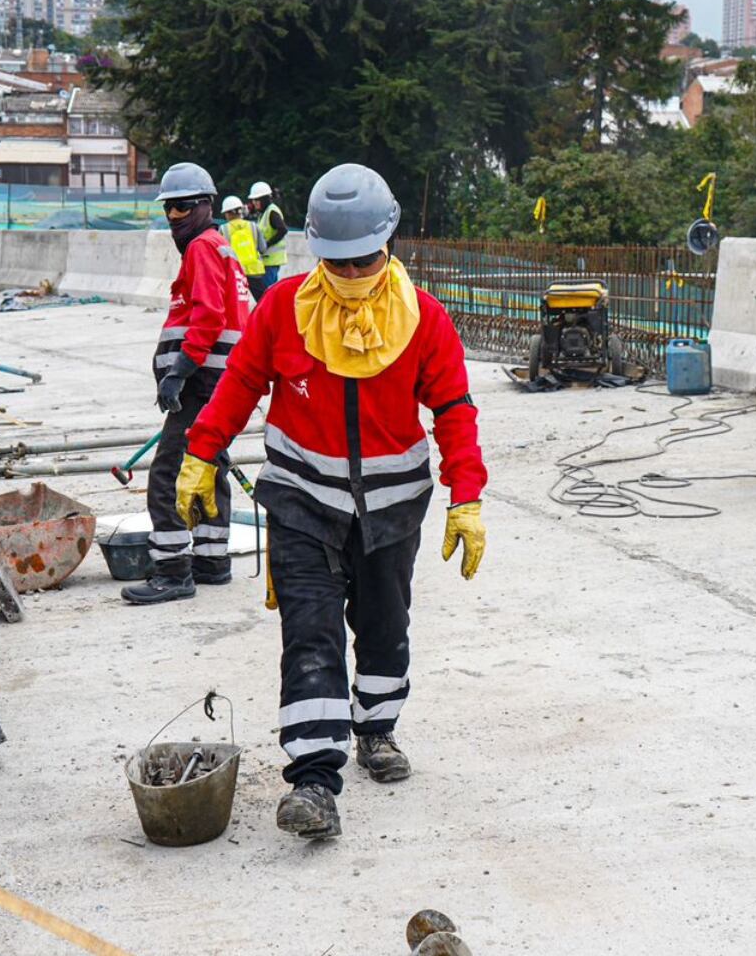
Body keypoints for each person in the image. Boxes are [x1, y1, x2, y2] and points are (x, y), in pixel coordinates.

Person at [177, 163, 487, 840]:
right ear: (316, 252)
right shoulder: (283, 310)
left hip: (391, 509)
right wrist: (200, 454)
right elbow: (238, 386)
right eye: (337, 263)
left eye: (364, 261)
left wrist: (468, 495)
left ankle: (377, 728)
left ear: (389, 245)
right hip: (300, 502)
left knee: (383, 626)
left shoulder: (423, 319)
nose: (351, 275)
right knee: (311, 632)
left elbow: (455, 410)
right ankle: (315, 780)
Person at [121, 163, 255, 605]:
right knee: (208, 465)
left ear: (206, 206)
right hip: (218, 381)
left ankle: (173, 570)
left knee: (168, 474)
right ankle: (213, 562)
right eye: (168, 208)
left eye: (183, 206)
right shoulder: (221, 249)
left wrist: (179, 371)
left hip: (199, 382)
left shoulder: (201, 248)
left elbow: (209, 317)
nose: (174, 216)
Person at [221, 194, 269, 301]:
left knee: (235, 304)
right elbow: (263, 248)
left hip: (234, 273)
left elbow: (221, 254)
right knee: (264, 301)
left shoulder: (223, 229)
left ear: (228, 213)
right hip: (254, 271)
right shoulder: (253, 226)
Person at [248, 180, 290, 288]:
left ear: (264, 199)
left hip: (271, 260)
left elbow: (283, 230)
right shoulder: (264, 213)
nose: (254, 202)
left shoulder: (271, 211)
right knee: (270, 291)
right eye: (253, 200)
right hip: (267, 260)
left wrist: (267, 244)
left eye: (257, 199)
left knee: (267, 292)